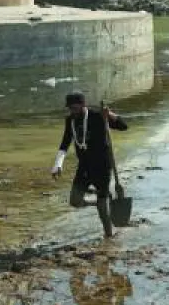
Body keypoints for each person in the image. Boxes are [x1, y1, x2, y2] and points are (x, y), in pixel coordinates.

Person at [51, 91, 127, 238]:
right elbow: (65, 142)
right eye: (70, 108)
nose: (72, 111)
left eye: (75, 108)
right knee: (75, 201)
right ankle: (98, 202)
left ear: (82, 105)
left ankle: (109, 236)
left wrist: (110, 115)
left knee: (103, 212)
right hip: (84, 166)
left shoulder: (98, 116)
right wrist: (58, 165)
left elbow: (123, 126)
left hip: (103, 165)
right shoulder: (70, 121)